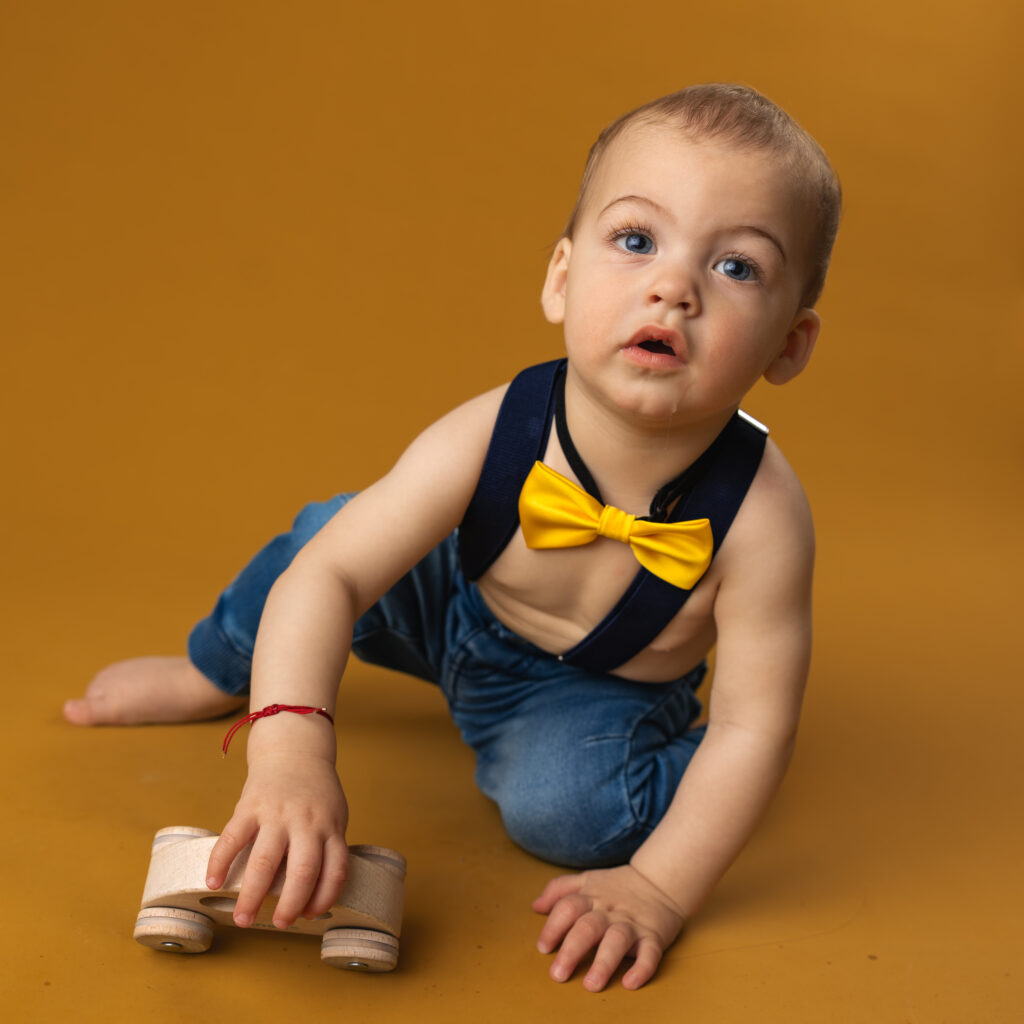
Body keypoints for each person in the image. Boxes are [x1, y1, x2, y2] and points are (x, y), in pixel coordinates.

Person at [64, 83, 841, 992]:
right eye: (636, 240)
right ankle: (215, 667)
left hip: (588, 688)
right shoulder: (500, 425)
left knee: (570, 816)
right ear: (561, 278)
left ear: (789, 345)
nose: (674, 287)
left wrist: (658, 888)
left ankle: (663, 783)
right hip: (453, 606)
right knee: (320, 544)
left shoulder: (762, 517)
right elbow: (335, 575)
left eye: (737, 267)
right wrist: (290, 754)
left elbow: (754, 726)